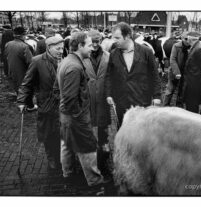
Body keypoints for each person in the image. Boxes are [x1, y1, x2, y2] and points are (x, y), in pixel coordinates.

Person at [55, 32, 105, 190]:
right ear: (80, 46)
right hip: (76, 117)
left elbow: (58, 91)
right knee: (88, 147)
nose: (92, 48)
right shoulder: (75, 67)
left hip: (66, 116)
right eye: (89, 45)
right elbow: (70, 99)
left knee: (67, 145)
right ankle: (95, 182)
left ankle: (68, 174)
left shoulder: (66, 61)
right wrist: (79, 118)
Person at [17, 36, 64, 170]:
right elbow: (27, 83)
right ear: (49, 47)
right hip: (46, 103)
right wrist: (21, 101)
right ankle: (51, 157)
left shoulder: (65, 60)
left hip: (62, 103)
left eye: (62, 48)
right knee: (48, 132)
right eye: (58, 48)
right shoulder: (37, 61)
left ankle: (62, 156)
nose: (61, 51)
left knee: (62, 131)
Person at [105, 22, 161, 125]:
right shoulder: (114, 53)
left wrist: (157, 96)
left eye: (117, 38)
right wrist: (109, 94)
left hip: (141, 101)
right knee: (123, 129)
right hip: (121, 101)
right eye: (114, 38)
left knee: (141, 132)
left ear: (127, 36)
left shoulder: (146, 52)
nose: (114, 41)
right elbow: (109, 75)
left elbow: (154, 75)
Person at [82, 30, 111, 177]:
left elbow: (111, 77)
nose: (94, 44)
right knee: (88, 127)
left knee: (103, 127)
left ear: (101, 40)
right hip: (87, 98)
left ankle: (104, 156)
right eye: (92, 41)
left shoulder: (107, 56)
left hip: (103, 98)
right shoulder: (82, 57)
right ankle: (89, 158)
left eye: (97, 41)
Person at [5, 27, 36, 110]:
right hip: (22, 71)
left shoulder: (8, 44)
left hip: (12, 70)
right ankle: (29, 106)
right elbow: (30, 62)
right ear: (22, 35)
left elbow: (6, 56)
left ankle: (22, 103)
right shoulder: (25, 46)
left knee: (17, 87)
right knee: (27, 88)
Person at [182, 32, 201, 113]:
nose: (187, 40)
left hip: (194, 82)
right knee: (189, 103)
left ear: (191, 39)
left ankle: (192, 120)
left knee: (192, 105)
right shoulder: (195, 47)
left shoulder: (199, 48)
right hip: (191, 81)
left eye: (187, 39)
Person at [163, 32, 190, 107]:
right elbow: (172, 59)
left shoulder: (191, 48)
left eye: (189, 39)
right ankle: (165, 107)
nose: (187, 41)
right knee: (170, 90)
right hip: (174, 72)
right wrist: (177, 72)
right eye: (186, 39)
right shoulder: (176, 46)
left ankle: (179, 108)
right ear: (181, 38)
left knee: (182, 92)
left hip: (185, 74)